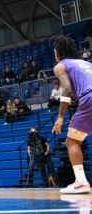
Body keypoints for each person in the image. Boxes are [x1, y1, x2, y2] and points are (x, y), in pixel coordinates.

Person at [52, 35, 92, 193]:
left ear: (59, 53)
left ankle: (81, 182)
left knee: (72, 141)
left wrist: (60, 117)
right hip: (87, 100)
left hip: (89, 98)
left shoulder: (60, 65)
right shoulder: (87, 63)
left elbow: (67, 89)